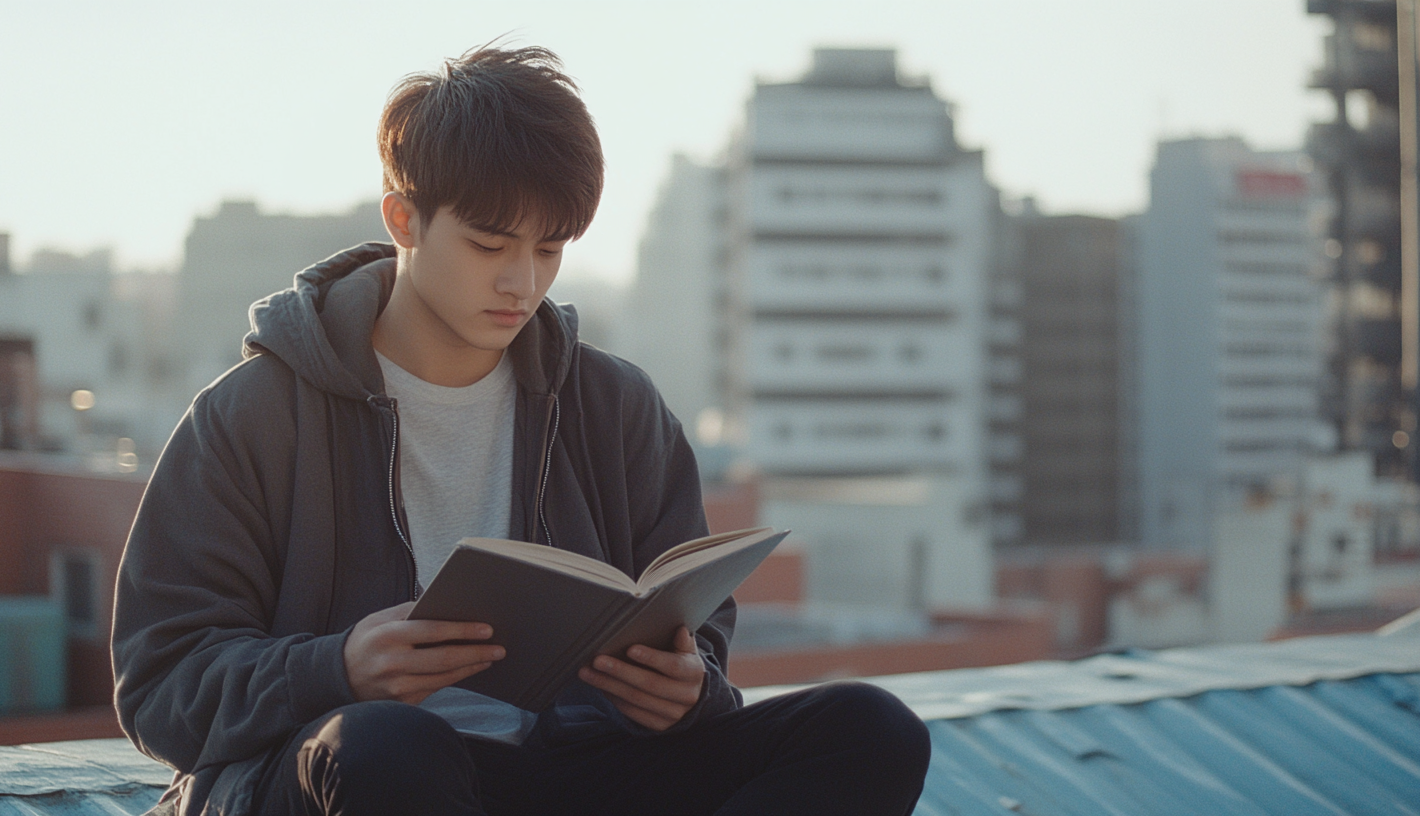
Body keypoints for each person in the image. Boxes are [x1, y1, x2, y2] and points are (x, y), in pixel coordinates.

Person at [112, 44, 931, 816]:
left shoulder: (615, 407)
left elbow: (699, 642)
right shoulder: (253, 413)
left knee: (870, 728)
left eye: (550, 249)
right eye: (489, 243)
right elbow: (158, 685)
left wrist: (688, 691)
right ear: (404, 218)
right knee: (390, 747)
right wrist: (337, 669)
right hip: (348, 773)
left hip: (569, 768)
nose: (522, 282)